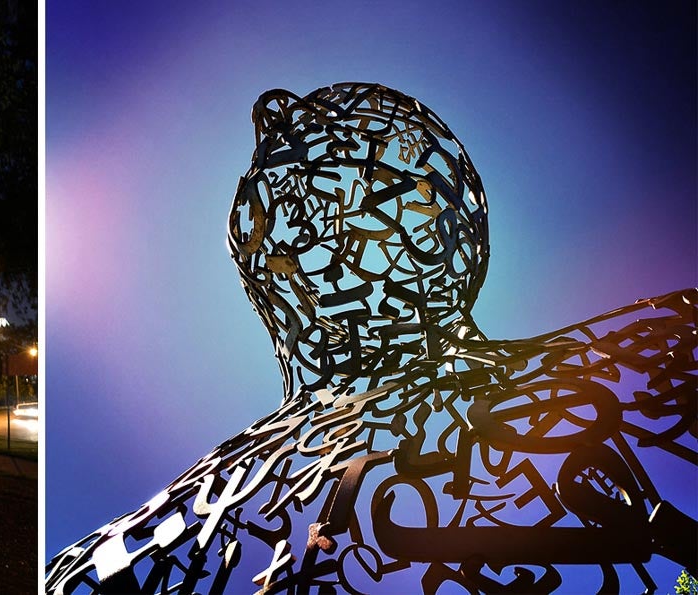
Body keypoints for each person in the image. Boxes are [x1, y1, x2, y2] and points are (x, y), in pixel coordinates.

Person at [47, 83, 696, 593]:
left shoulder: (660, 353)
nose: (279, 115)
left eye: (373, 182)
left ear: (448, 216)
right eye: (300, 205)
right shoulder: (172, 531)